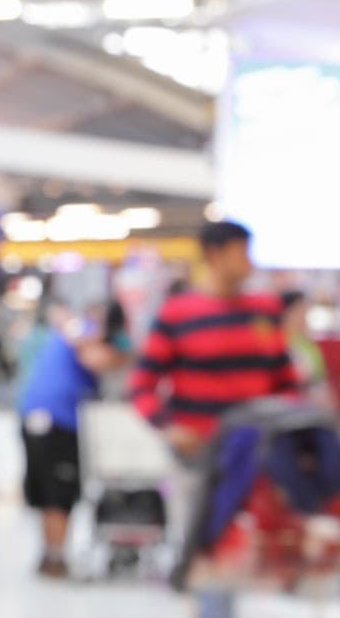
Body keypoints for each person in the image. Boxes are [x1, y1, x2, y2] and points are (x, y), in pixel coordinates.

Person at [131, 220, 299, 618]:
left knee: (248, 557)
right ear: (214, 254)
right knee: (207, 557)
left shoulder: (265, 312)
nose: (248, 262)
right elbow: (141, 385)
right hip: (199, 459)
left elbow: (285, 383)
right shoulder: (178, 313)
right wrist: (169, 428)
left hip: (258, 457)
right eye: (241, 251)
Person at [17, 299, 131, 577]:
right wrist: (129, 357)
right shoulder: (83, 329)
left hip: (39, 415)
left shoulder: (78, 328)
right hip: (57, 419)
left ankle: (51, 554)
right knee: (57, 492)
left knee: (49, 492)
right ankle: (54, 557)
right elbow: (95, 358)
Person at [280, 290, 333, 410]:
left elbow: (321, 377)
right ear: (285, 313)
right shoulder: (280, 342)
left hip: (315, 407)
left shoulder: (307, 343)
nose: (303, 315)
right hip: (292, 408)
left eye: (305, 310)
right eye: (299, 310)